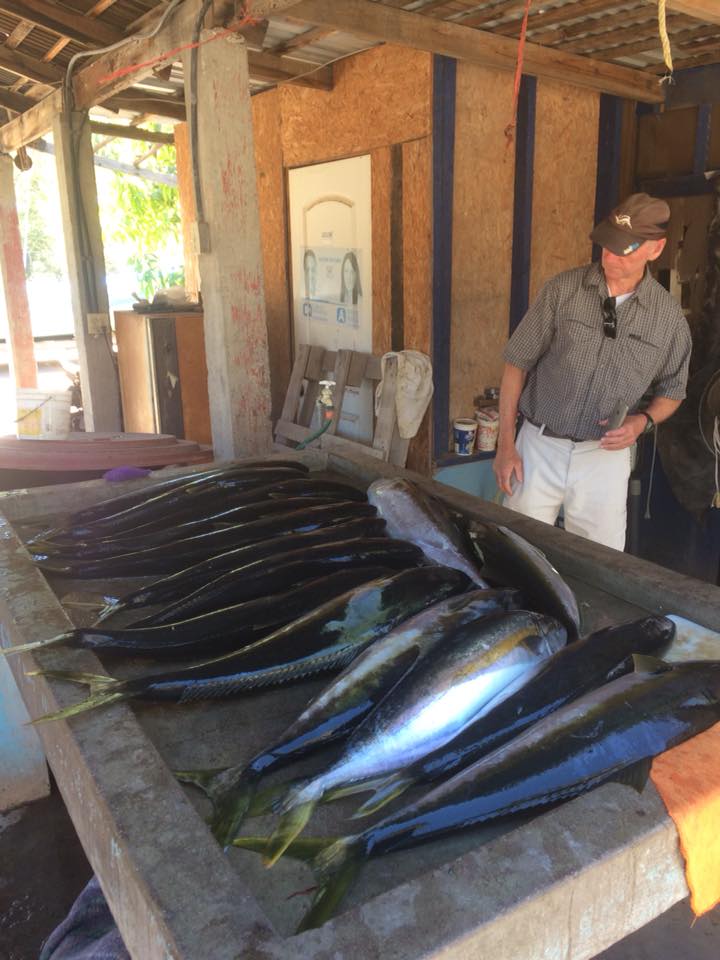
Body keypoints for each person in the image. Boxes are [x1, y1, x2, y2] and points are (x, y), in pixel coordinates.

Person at [493, 193, 692, 551]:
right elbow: (516, 363)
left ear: (656, 249)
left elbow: (674, 391)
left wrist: (642, 422)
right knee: (516, 549)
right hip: (539, 446)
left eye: (624, 249)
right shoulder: (563, 290)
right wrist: (506, 444)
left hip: (604, 458)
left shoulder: (668, 319)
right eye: (606, 245)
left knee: (600, 561)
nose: (609, 257)